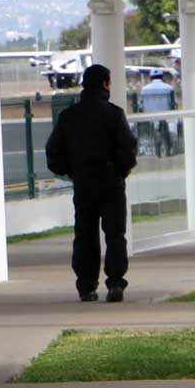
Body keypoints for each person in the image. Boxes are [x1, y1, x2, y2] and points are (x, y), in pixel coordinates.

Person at [46, 64, 137, 303]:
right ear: (106, 84)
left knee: (85, 235)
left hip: (84, 183)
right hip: (111, 182)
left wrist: (71, 171)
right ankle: (115, 282)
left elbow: (53, 152)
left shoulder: (68, 116)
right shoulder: (114, 114)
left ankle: (86, 286)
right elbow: (128, 148)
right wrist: (120, 171)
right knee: (115, 234)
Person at [139, 69, 175, 157]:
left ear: (151, 77)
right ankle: (168, 151)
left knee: (155, 133)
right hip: (166, 116)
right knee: (166, 133)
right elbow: (173, 104)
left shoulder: (144, 89)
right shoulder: (169, 88)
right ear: (162, 77)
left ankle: (157, 151)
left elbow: (141, 106)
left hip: (150, 117)